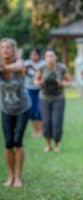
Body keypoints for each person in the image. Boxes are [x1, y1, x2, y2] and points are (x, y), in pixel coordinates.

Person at [0, 38, 31, 187]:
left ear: (13, 50)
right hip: (6, 109)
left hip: (22, 109)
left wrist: (4, 66)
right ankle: (10, 176)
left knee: (18, 142)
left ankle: (19, 177)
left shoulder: (20, 64)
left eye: (8, 47)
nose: (5, 50)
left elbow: (19, 65)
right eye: (2, 47)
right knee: (8, 143)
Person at [34, 48, 72, 153]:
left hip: (58, 98)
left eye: (52, 56)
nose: (50, 58)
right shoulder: (42, 68)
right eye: (47, 56)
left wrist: (62, 83)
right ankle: (47, 144)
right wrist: (40, 82)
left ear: (56, 57)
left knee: (56, 122)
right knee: (46, 123)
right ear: (45, 58)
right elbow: (35, 80)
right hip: (44, 98)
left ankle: (56, 144)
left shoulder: (61, 68)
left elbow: (69, 82)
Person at [24, 48, 45, 137]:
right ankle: (36, 130)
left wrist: (33, 68)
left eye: (35, 55)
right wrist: (26, 70)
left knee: (39, 110)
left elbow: (43, 75)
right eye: (31, 55)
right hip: (29, 89)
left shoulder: (43, 64)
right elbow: (22, 74)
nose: (33, 56)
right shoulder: (26, 63)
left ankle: (41, 130)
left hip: (40, 89)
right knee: (32, 111)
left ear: (39, 55)